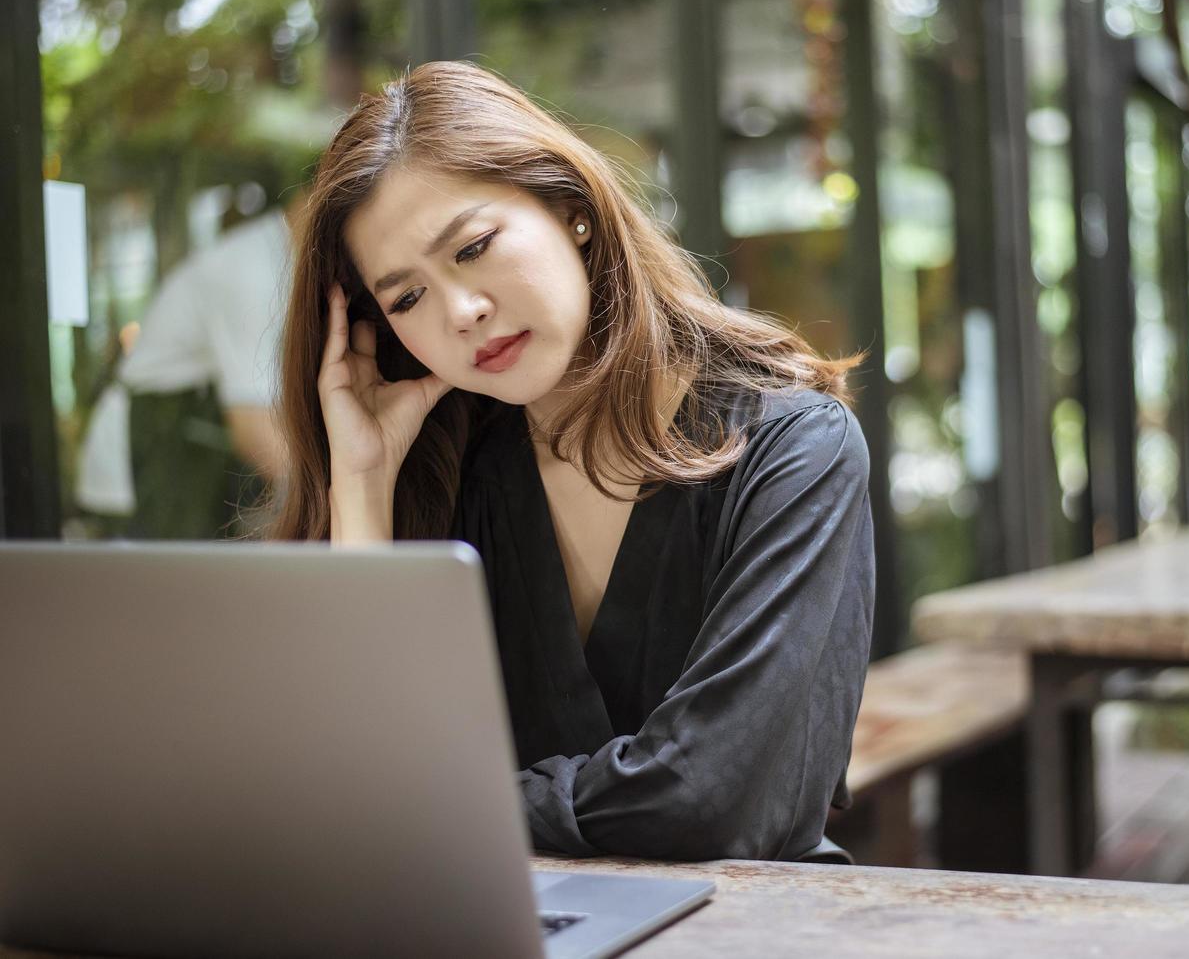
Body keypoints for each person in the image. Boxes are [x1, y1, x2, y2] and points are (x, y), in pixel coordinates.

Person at [268, 61, 874, 862]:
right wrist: (364, 483)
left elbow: (710, 800)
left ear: (570, 210)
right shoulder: (453, 478)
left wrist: (443, 805)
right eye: (405, 298)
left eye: (474, 247)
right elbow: (344, 786)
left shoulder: (793, 452)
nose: (462, 311)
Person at [77, 205, 291, 538]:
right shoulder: (250, 268)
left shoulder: (279, 257)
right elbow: (253, 429)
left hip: (182, 442)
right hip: (145, 446)